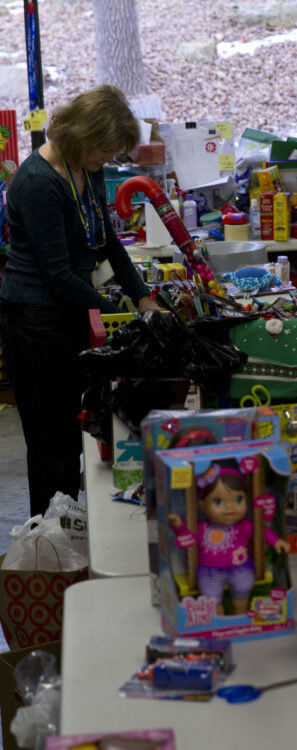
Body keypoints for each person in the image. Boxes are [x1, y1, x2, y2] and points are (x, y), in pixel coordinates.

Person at [0, 85, 161, 517]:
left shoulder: (85, 167)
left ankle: (68, 530)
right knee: (51, 445)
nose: (107, 160)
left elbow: (107, 241)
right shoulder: (39, 182)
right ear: (82, 137)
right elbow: (58, 277)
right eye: (105, 151)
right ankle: (47, 542)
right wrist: (120, 316)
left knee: (71, 437)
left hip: (69, 313)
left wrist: (143, 297)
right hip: (36, 322)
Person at [168, 462, 290, 615]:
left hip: (240, 568)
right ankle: (219, 621)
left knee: (244, 586)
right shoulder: (201, 528)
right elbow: (187, 535)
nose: (229, 508)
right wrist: (178, 524)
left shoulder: (244, 525)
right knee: (210, 595)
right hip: (210, 571)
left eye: (238, 500)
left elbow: (262, 532)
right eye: (218, 502)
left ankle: (241, 614)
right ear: (202, 505)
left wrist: (276, 541)